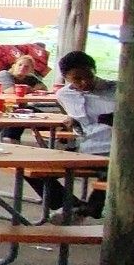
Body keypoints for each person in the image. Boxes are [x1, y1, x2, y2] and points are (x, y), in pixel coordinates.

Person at [40, 51, 115, 215]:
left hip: (113, 150)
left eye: (89, 76)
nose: (84, 82)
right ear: (66, 78)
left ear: (95, 70)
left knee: (114, 171)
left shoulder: (118, 91)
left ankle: (92, 209)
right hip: (84, 149)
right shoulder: (64, 95)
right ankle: (69, 203)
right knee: (33, 167)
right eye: (77, 79)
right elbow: (79, 124)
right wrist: (72, 123)